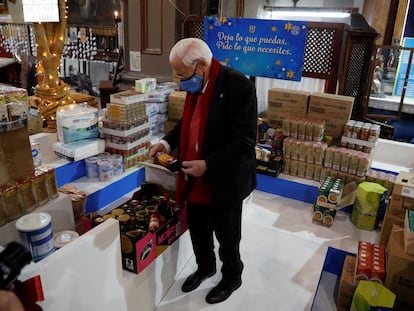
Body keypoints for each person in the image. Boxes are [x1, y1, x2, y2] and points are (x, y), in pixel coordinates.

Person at [149, 38, 257, 304]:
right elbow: (190, 122)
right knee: (198, 228)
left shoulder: (237, 85)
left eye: (181, 73)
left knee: (227, 233)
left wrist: (208, 164)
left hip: (223, 177)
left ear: (200, 66)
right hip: (193, 176)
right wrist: (166, 142)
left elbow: (244, 141)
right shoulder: (197, 86)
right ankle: (205, 266)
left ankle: (232, 275)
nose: (179, 79)